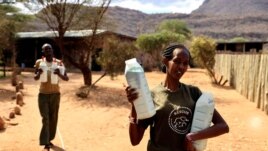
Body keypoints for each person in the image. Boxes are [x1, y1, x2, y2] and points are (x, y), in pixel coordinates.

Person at [125, 43, 229, 151]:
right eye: (177, 61)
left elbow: (223, 126)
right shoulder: (151, 95)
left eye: (185, 63)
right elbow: (135, 140)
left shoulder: (194, 93)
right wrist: (134, 105)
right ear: (165, 61)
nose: (181, 67)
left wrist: (193, 137)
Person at [34, 43, 69, 150]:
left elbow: (66, 78)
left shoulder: (59, 63)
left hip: (55, 94)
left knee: (53, 118)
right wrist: (39, 73)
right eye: (46, 49)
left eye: (50, 49)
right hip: (43, 95)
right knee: (45, 118)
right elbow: (35, 78)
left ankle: (49, 139)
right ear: (43, 52)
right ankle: (45, 142)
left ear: (52, 51)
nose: (48, 51)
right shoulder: (39, 63)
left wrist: (59, 74)